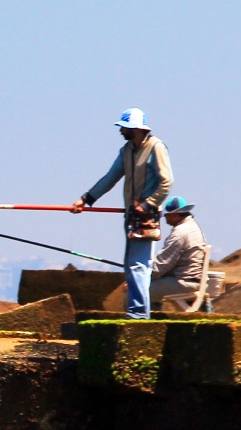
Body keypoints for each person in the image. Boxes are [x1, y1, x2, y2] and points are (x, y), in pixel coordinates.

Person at [70, 107, 173, 319]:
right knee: (132, 264)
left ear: (134, 129)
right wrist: (87, 199)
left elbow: (167, 182)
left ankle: (138, 313)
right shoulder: (126, 151)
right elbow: (111, 177)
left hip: (146, 217)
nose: (120, 131)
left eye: (123, 128)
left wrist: (148, 204)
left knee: (138, 264)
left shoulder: (156, 147)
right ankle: (138, 311)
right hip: (131, 216)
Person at [149, 196, 209, 313]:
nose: (165, 217)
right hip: (194, 280)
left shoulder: (179, 233)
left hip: (183, 282)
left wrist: (139, 277)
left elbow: (161, 265)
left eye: (167, 214)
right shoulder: (194, 227)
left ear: (176, 214)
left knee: (135, 291)